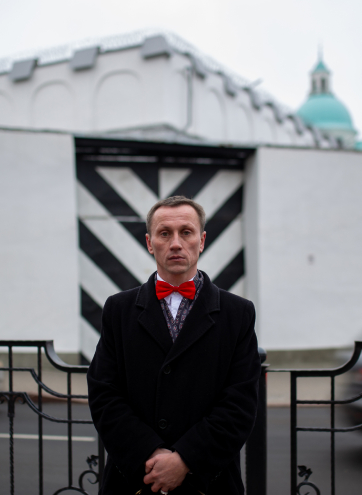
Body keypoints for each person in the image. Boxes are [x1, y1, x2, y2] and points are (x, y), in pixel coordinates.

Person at [87, 195, 261, 495]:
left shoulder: (238, 313)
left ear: (202, 240)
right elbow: (104, 393)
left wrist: (185, 460)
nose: (176, 243)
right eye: (165, 233)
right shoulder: (118, 309)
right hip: (135, 481)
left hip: (209, 483)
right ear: (149, 242)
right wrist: (150, 453)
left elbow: (240, 402)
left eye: (186, 232)